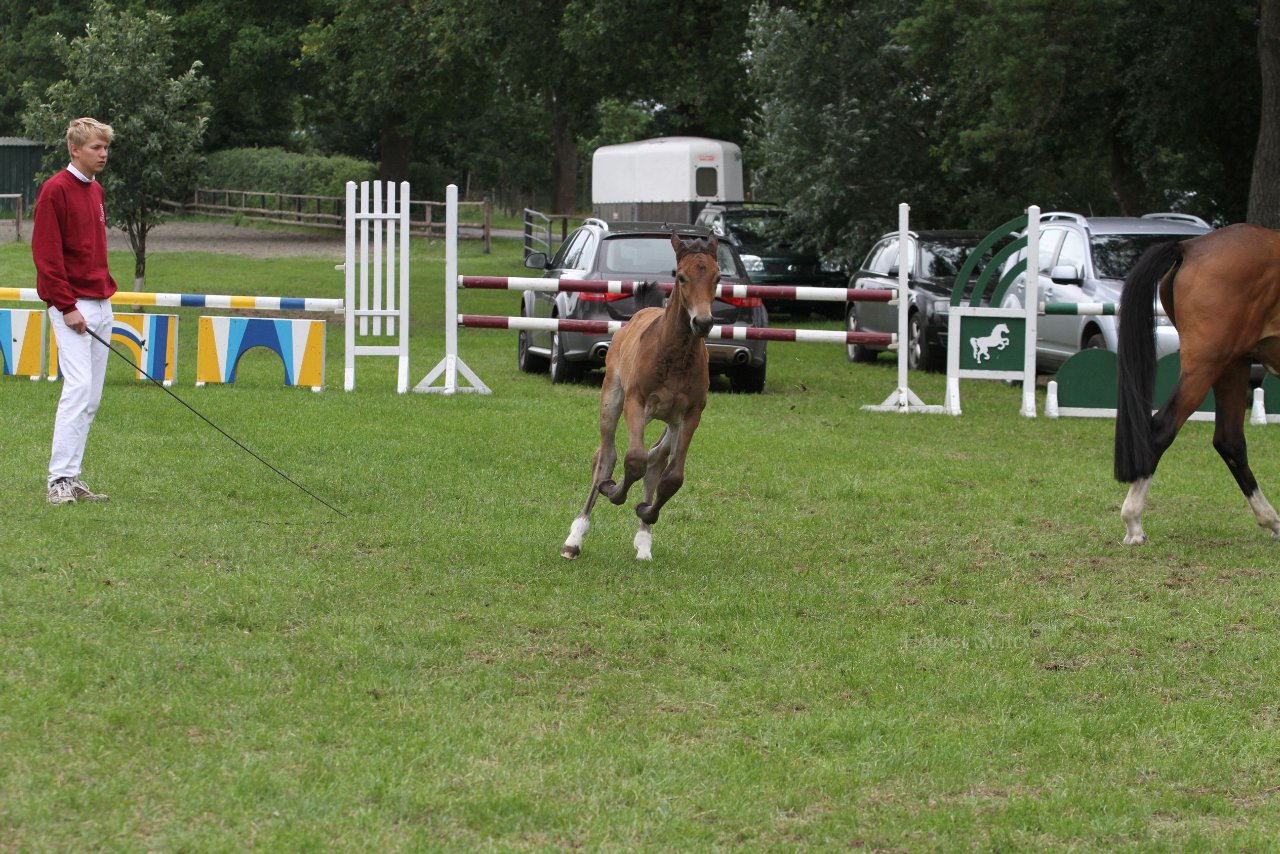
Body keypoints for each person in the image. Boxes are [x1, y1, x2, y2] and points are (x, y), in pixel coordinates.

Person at [33, 117, 117, 505]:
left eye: (105, 147)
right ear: (75, 149)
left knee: (93, 396)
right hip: (71, 305)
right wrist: (67, 306)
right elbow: (46, 256)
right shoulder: (55, 190)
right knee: (78, 387)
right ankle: (58, 481)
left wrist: (102, 299)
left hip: (101, 303)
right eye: (96, 147)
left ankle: (74, 476)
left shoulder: (96, 190)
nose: (103, 154)